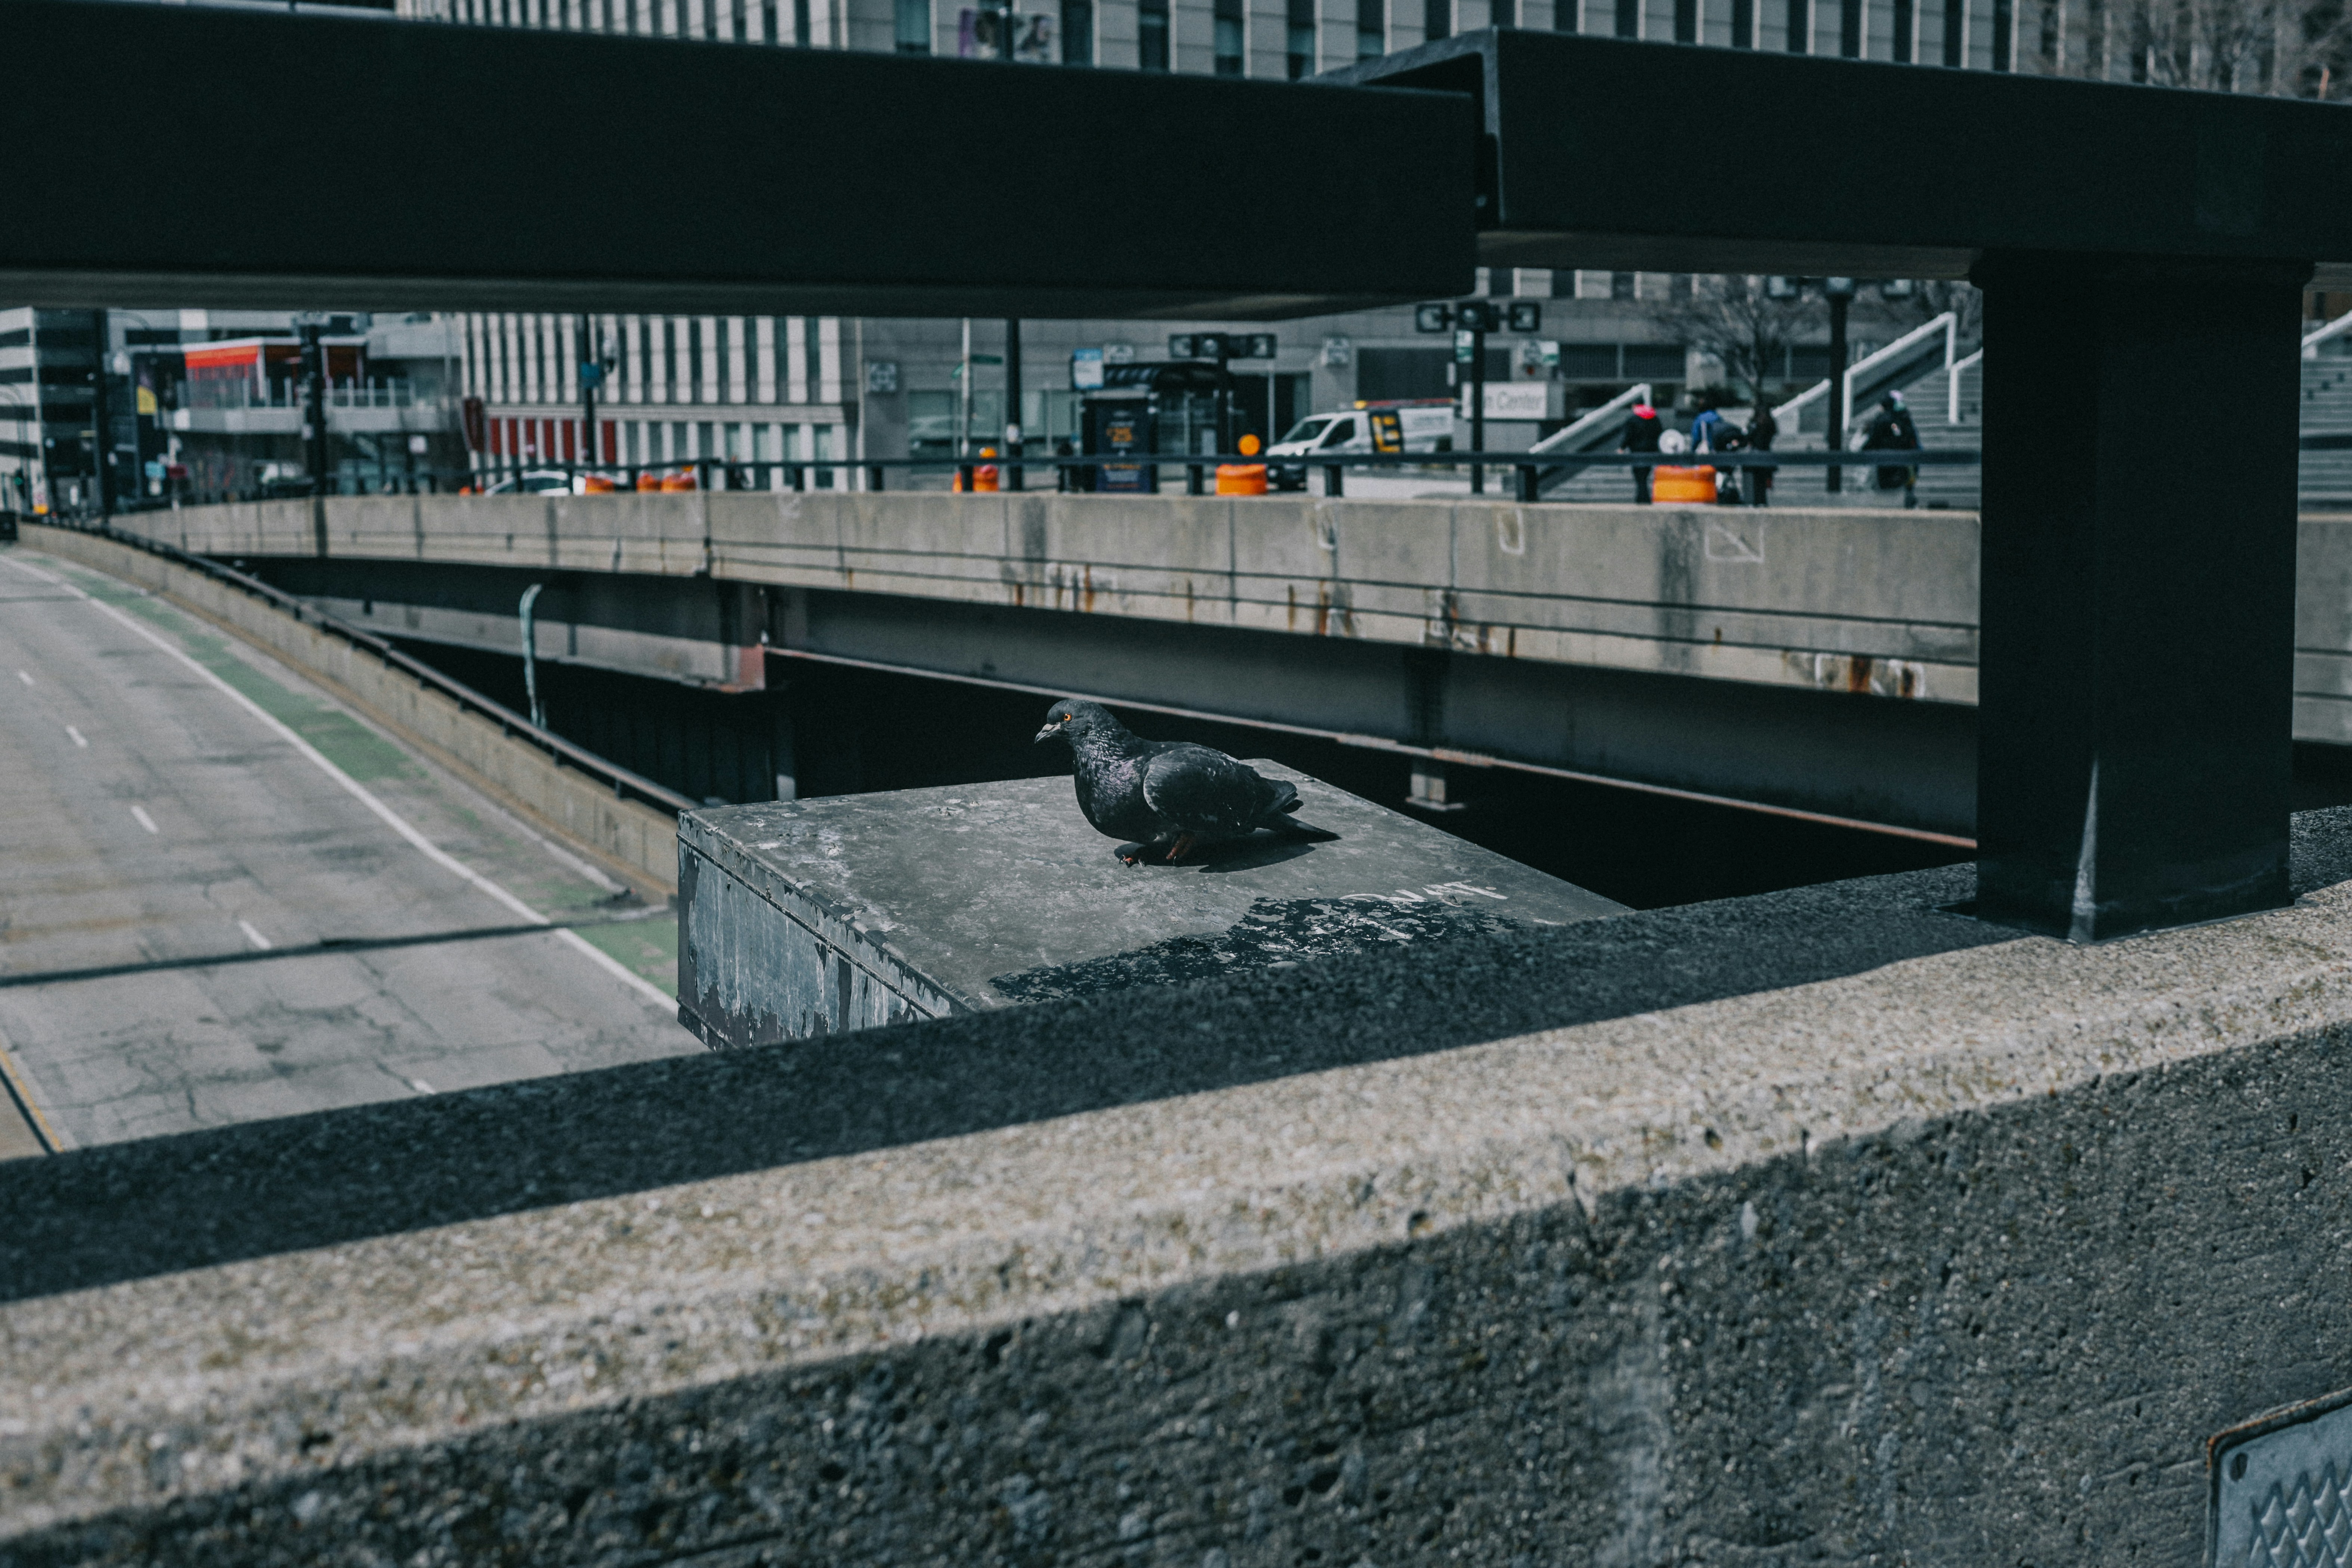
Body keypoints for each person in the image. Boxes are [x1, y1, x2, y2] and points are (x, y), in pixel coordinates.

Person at [1862, 391, 1922, 508]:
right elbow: (1899, 434)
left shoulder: (1882, 420)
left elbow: (1874, 439)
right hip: (1900, 461)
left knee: (1884, 490)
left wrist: (1865, 450)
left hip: (1883, 461)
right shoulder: (1897, 420)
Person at [1619, 401, 1663, 503]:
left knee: (1639, 476)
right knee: (1645, 475)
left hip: (1637, 452)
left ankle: (1642, 499)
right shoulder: (1654, 418)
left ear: (1634, 406)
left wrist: (1622, 448)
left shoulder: (1633, 419)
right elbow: (1660, 434)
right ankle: (1643, 498)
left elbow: (1628, 435)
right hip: (1651, 452)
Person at [1744, 402, 1778, 507]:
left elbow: (1748, 437)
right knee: (1763, 481)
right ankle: (1762, 501)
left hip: (1756, 454)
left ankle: (1756, 501)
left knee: (1756, 481)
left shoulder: (1755, 424)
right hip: (1767, 454)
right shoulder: (1770, 423)